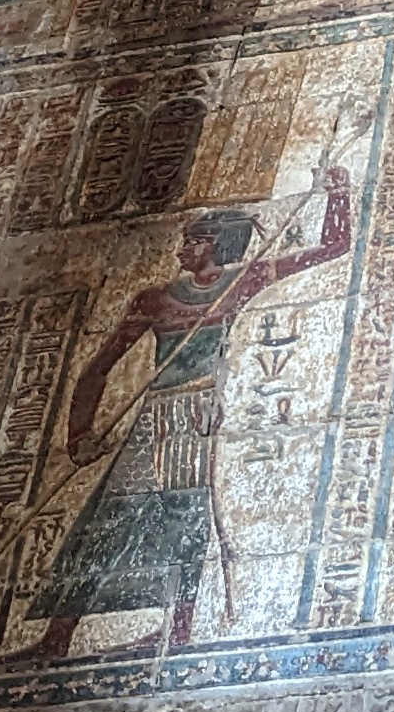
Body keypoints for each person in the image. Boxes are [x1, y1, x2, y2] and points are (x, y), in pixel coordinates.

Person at [33, 167, 355, 655]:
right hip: (156, 417)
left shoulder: (243, 282)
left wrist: (339, 194)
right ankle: (57, 638)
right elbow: (96, 370)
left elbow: (332, 248)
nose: (181, 250)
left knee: (187, 519)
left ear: (216, 245)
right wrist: (80, 435)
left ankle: (177, 631)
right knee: (106, 518)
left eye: (193, 241)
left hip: (200, 417)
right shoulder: (154, 301)